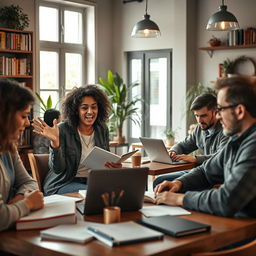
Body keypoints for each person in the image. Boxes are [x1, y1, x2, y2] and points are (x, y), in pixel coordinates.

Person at [154, 76, 256, 217]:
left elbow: (225, 201)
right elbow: (206, 172)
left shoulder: (252, 146)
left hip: (246, 232)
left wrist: (179, 199)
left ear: (239, 111)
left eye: (220, 109)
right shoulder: (236, 141)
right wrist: (178, 183)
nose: (218, 116)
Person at [32, 85, 121, 195]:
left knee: (122, 189)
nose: (90, 112)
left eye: (94, 107)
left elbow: (103, 161)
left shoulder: (101, 129)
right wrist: (55, 143)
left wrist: (112, 166)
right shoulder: (62, 129)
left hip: (92, 181)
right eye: (84, 108)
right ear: (76, 111)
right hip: (63, 183)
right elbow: (58, 169)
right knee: (95, 192)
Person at [153, 93, 228, 187]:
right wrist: (173, 151)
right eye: (196, 116)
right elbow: (183, 145)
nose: (199, 120)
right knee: (159, 181)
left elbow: (221, 157)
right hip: (201, 172)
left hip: (215, 177)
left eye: (203, 116)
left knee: (164, 184)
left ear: (216, 113)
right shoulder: (199, 128)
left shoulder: (226, 130)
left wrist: (195, 159)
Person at [0, 79, 44, 231]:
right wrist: (28, 203)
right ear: (6, 116)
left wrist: (17, 200)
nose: (27, 124)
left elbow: (30, 182)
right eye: (24, 116)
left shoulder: (8, 147)